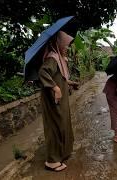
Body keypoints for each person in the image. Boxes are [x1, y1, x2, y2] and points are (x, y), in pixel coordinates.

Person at [38, 31, 78, 172]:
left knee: (63, 124)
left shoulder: (60, 59)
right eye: (65, 45)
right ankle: (52, 161)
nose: (67, 48)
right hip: (53, 100)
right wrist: (56, 88)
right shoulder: (53, 58)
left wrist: (70, 83)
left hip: (60, 101)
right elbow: (43, 72)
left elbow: (60, 78)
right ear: (58, 43)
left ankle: (62, 153)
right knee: (55, 127)